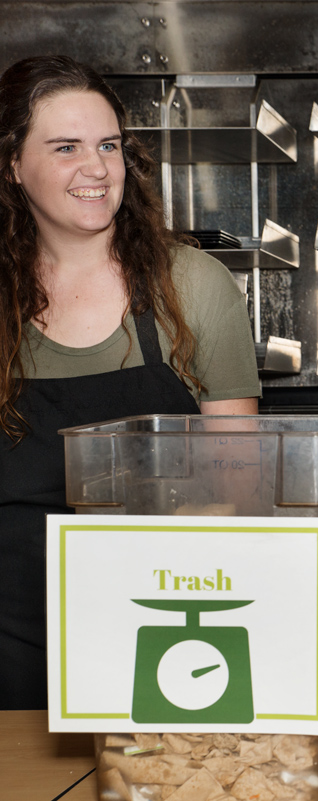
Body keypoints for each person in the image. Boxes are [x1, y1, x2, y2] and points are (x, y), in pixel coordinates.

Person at [0, 56, 261, 710]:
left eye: (109, 145)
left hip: (167, 645)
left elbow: (245, 500)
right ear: (11, 164)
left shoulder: (193, 287)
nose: (97, 168)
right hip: (11, 656)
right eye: (66, 148)